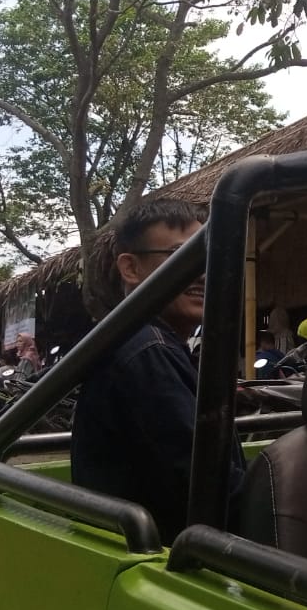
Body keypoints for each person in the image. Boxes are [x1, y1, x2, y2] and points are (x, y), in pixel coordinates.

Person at [72, 200, 243, 541]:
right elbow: (210, 489)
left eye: (206, 257)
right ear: (131, 268)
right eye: (183, 257)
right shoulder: (147, 352)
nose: (204, 272)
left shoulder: (149, 341)